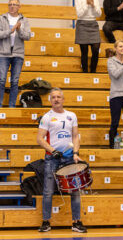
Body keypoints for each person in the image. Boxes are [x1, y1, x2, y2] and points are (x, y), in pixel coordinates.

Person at [36, 88, 86, 233]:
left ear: (63, 99)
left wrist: (76, 153)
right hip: (52, 158)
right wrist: (53, 151)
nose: (56, 99)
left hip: (70, 158)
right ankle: (46, 222)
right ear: (50, 100)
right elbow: (39, 139)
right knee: (48, 191)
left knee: (75, 190)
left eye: (59, 97)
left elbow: (75, 136)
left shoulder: (71, 115)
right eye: (53, 97)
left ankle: (76, 222)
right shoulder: (46, 117)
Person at [0, 0, 31, 107]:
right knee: (1, 80)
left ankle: (12, 106)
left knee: (14, 82)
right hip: (3, 54)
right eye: (10, 4)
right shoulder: (2, 18)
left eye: (14, 4)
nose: (12, 6)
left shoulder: (24, 20)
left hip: (18, 55)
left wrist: (18, 30)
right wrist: (11, 30)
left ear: (19, 7)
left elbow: (27, 36)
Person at [74, 0, 101, 73]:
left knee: (96, 49)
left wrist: (93, 5)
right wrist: (87, 4)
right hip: (82, 24)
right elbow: (79, 14)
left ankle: (93, 70)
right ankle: (85, 72)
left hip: (93, 24)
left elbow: (98, 14)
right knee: (84, 51)